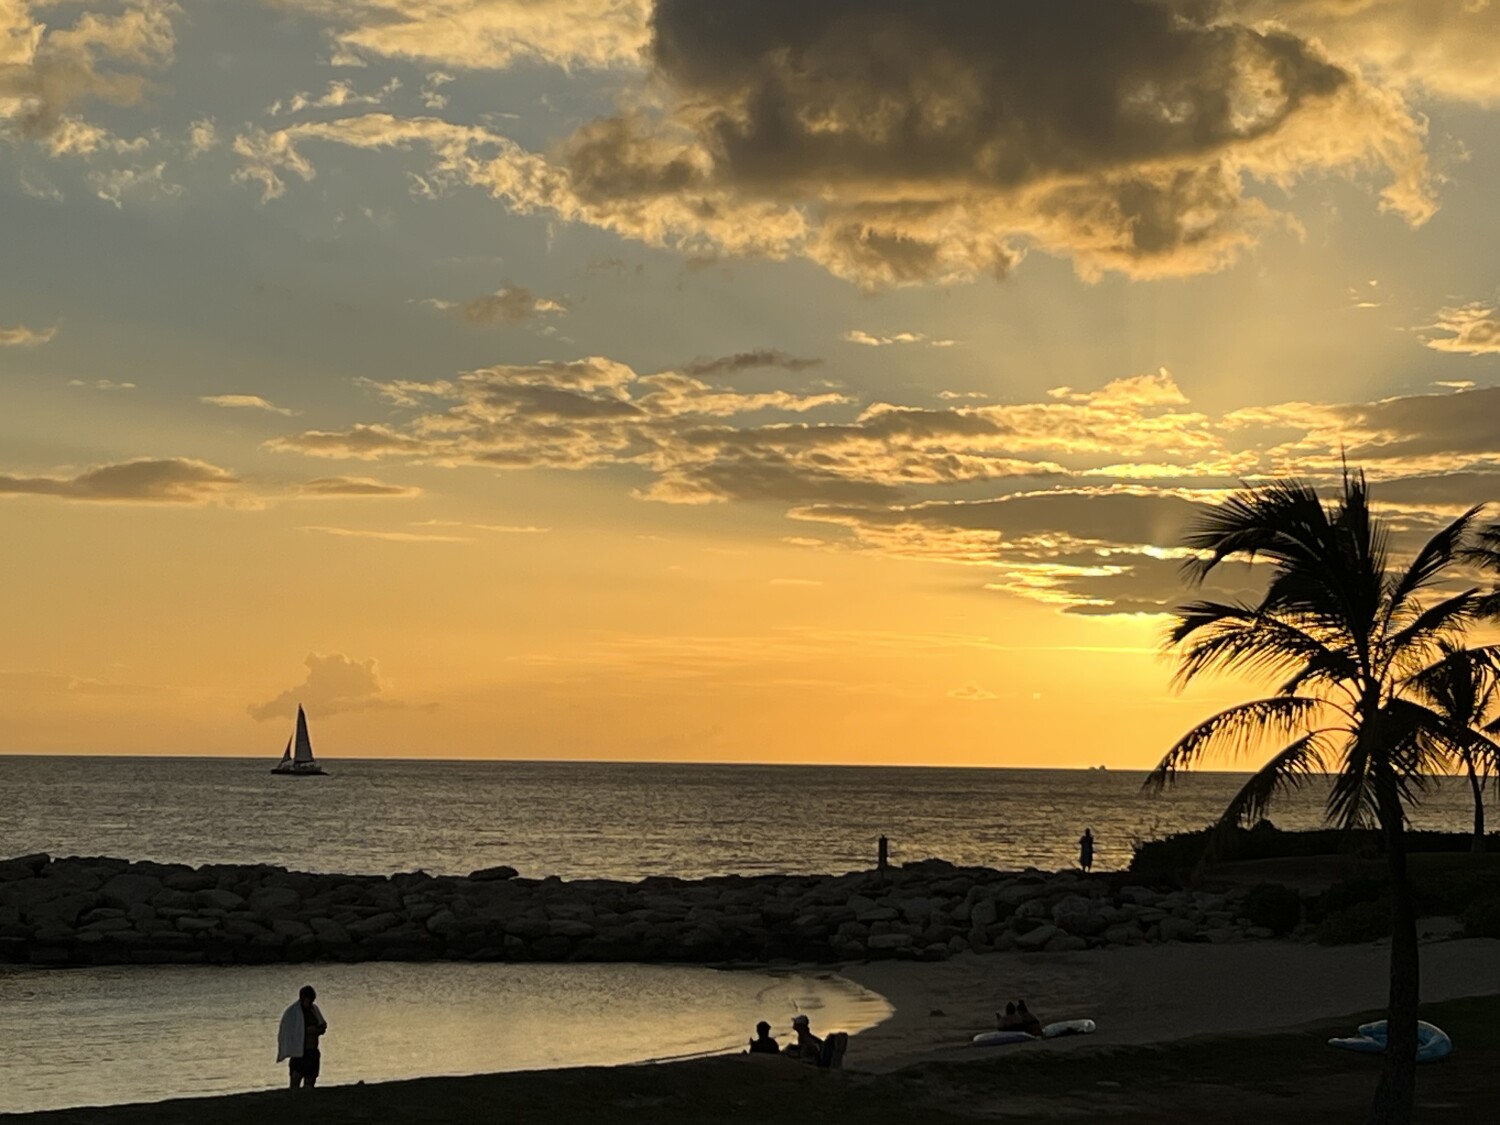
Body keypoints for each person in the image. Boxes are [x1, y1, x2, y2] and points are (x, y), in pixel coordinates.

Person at [277, 984, 328, 1089]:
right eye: (309, 1001)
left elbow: (322, 1025)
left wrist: (317, 1030)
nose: (311, 1003)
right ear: (303, 998)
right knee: (295, 1080)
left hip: (312, 1051)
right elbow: (289, 1031)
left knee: (310, 1080)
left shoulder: (314, 1010)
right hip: (299, 1053)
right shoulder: (293, 1013)